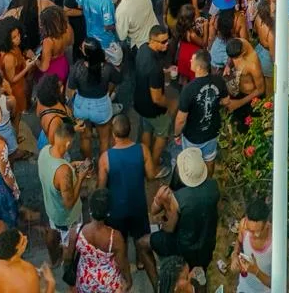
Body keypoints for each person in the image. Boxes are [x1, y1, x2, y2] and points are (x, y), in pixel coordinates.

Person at [97, 112, 157, 288]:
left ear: (114, 134)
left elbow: (101, 188)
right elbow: (152, 175)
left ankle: (124, 276)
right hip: (138, 206)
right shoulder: (142, 150)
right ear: (129, 131)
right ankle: (142, 264)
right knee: (142, 240)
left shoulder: (106, 158)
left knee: (119, 243)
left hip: (116, 211)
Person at [150, 146, 220, 274]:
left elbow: (169, 229)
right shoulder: (213, 186)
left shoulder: (178, 199)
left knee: (143, 242)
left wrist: (161, 203)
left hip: (185, 246)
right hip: (206, 243)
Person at [37, 118, 92, 265]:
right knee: (70, 244)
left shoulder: (44, 151)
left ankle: (55, 258)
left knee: (54, 232)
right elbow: (69, 203)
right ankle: (69, 265)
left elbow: (55, 177)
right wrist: (80, 177)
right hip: (67, 218)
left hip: (52, 210)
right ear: (68, 144)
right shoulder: (63, 171)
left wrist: (71, 165)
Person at [174, 49, 228, 173]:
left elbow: (181, 119)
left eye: (192, 60)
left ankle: (192, 183)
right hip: (212, 132)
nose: (190, 60)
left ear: (198, 67)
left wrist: (177, 134)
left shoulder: (188, 89)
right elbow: (226, 101)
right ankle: (208, 182)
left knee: (191, 163)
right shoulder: (218, 81)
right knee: (210, 159)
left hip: (193, 136)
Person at [67, 188, 131, 292]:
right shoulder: (114, 237)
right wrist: (128, 280)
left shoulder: (76, 232)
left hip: (85, 283)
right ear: (109, 212)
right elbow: (122, 264)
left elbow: (68, 258)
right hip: (108, 284)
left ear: (89, 209)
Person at [134, 25, 174, 177]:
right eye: (163, 42)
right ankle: (154, 165)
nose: (166, 44)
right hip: (153, 108)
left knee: (146, 129)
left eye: (167, 40)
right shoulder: (154, 68)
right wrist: (169, 104)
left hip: (140, 101)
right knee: (162, 134)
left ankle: (145, 160)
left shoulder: (143, 49)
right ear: (153, 40)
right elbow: (157, 98)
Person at [0, 228, 54, 293]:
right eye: (23, 241)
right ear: (16, 251)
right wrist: (51, 283)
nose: (26, 237)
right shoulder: (28, 276)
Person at [231, 194, 273, 291]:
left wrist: (256, 271)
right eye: (249, 230)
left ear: (267, 224)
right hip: (244, 284)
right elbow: (239, 242)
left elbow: (276, 284)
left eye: (257, 232)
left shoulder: (275, 245)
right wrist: (234, 255)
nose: (252, 235)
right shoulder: (243, 225)